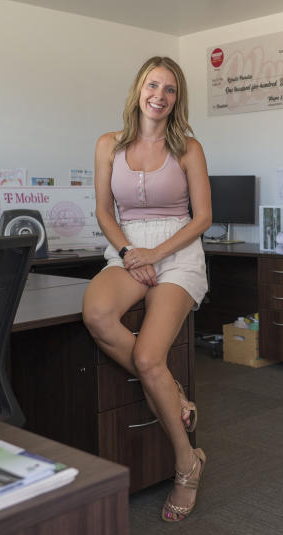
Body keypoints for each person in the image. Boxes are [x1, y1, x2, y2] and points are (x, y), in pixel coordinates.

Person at [82, 56, 211, 522]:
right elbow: (103, 211)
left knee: (147, 357)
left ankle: (186, 462)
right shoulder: (108, 145)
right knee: (96, 314)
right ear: (138, 89)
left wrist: (154, 256)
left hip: (177, 252)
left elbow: (203, 218)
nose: (160, 95)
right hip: (128, 249)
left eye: (170, 89)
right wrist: (128, 253)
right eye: (153, 85)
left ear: (178, 100)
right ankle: (174, 393)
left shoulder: (188, 149)